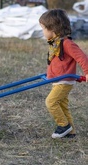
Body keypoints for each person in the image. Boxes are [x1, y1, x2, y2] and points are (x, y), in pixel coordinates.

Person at [39, 9, 88, 139]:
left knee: (51, 102)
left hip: (64, 81)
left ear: (53, 29)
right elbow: (57, 62)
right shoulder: (56, 44)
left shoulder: (67, 43)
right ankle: (70, 131)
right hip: (58, 80)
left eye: (44, 28)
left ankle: (64, 125)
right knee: (62, 105)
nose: (43, 32)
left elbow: (82, 57)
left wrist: (87, 72)